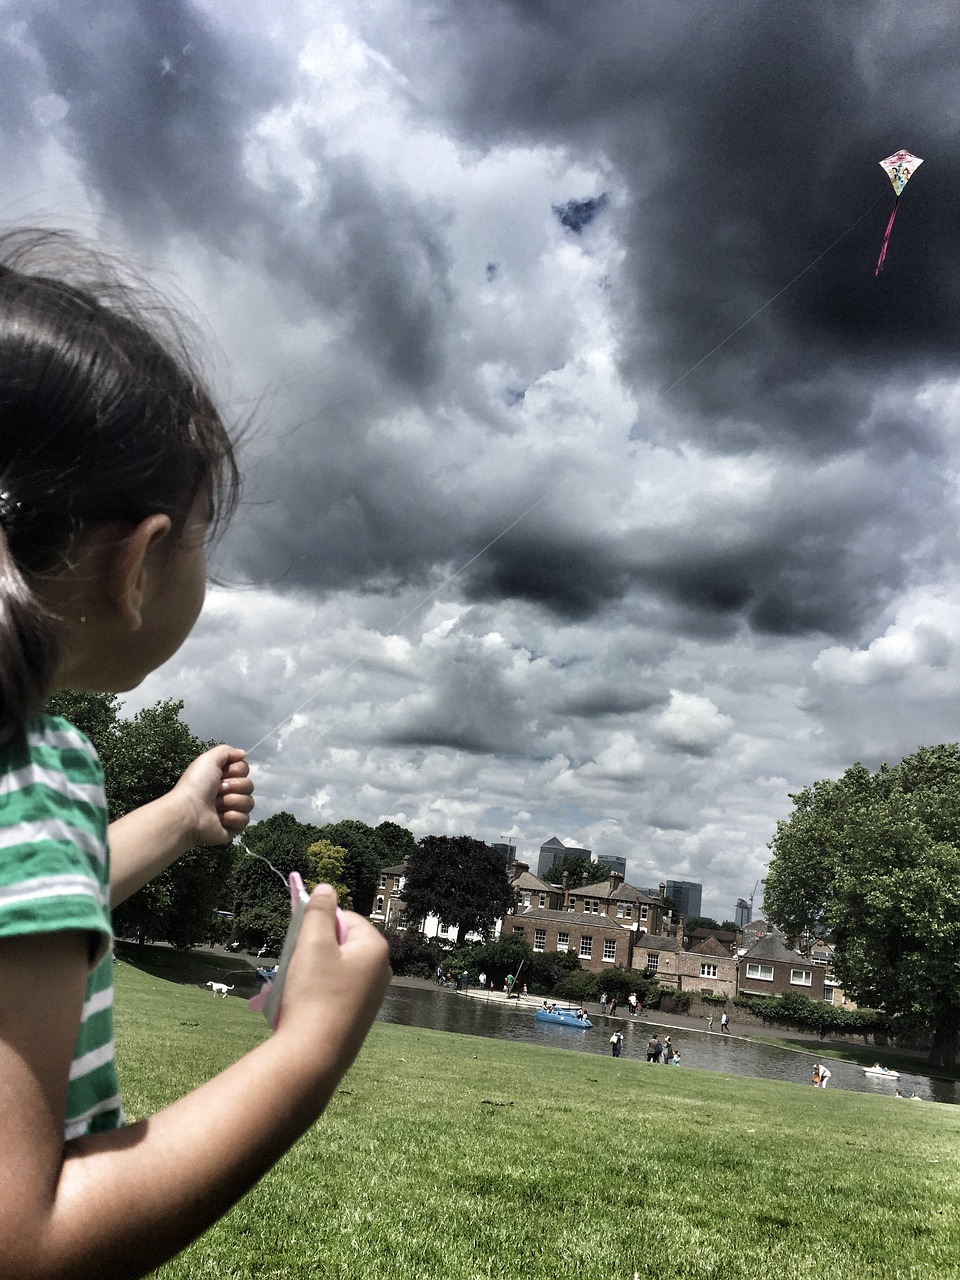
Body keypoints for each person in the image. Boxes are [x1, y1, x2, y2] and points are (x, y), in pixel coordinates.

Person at [0, 229, 391, 1278]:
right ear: (135, 561)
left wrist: (175, 821)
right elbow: (20, 1239)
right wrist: (307, 1046)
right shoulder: (29, 771)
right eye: (206, 534)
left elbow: (26, 899)